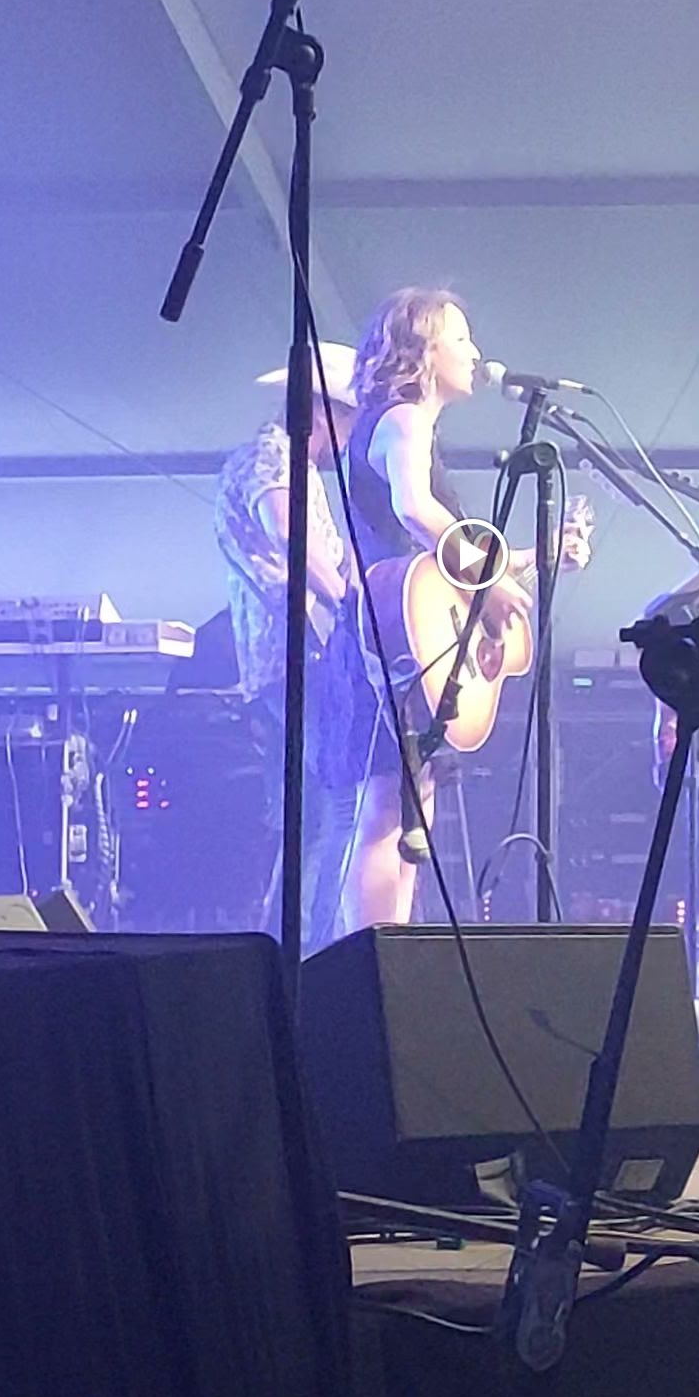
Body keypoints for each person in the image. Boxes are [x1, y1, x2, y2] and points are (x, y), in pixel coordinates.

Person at [332, 288, 592, 932]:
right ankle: (374, 954)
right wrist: (488, 579)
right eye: (461, 339)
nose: (475, 353)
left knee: (407, 808)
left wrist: (537, 556)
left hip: (402, 626)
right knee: (387, 811)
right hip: (390, 631)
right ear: (422, 351)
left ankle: (391, 947)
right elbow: (415, 511)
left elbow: (442, 563)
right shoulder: (405, 419)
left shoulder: (403, 424)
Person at [213, 341, 358, 950]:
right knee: (331, 810)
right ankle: (312, 953)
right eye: (352, 418)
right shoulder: (273, 457)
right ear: (327, 412)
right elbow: (292, 537)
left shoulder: (290, 464)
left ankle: (294, 950)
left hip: (300, 658)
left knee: (318, 816)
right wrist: (353, 608)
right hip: (297, 659)